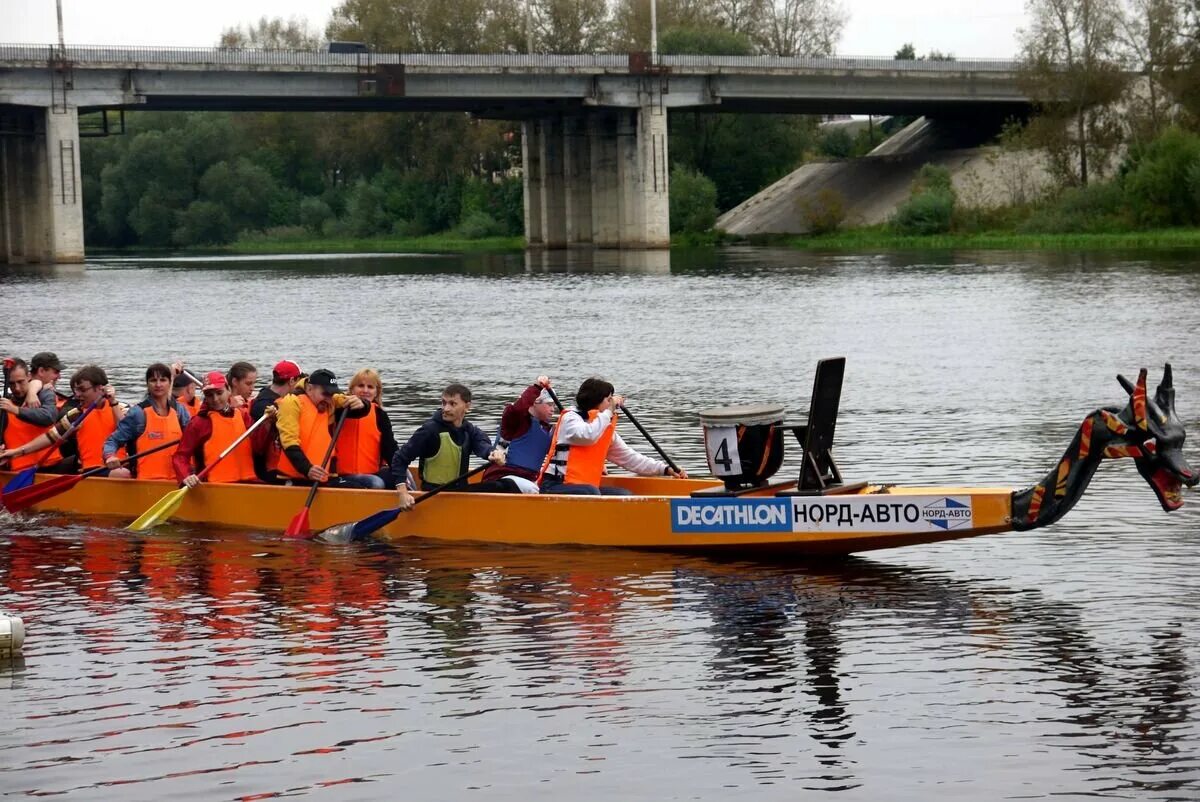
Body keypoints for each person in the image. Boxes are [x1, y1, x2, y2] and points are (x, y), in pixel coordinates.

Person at [537, 377, 688, 495]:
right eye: (608, 399)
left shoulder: (604, 427)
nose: (611, 403)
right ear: (596, 401)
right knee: (591, 492)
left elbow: (630, 459)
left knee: (624, 495)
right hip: (555, 486)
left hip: (583, 489)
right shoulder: (571, 418)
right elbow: (587, 436)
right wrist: (608, 413)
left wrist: (665, 469)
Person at [390, 383, 509, 508]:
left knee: (504, 485)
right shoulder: (429, 430)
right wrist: (403, 493)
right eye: (444, 403)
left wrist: (493, 453)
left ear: (467, 407)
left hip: (459, 494)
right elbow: (399, 459)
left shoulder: (470, 430)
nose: (446, 409)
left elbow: (482, 445)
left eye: (452, 404)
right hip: (432, 495)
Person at [0, 365, 125, 473]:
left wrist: (113, 402)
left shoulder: (121, 409)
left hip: (119, 468)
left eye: (82, 390)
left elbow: (125, 431)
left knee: (122, 473)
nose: (77, 395)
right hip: (92, 471)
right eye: (75, 390)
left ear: (100, 388)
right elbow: (50, 437)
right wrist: (16, 452)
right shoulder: (77, 414)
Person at [272, 368, 374, 487]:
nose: (329, 398)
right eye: (325, 394)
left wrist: (363, 404)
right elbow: (289, 442)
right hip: (297, 477)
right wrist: (308, 469)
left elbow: (351, 403)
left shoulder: (330, 400)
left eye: (332, 394)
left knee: (364, 487)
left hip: (325, 476)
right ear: (310, 388)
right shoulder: (291, 402)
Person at [173, 371, 276, 487]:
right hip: (215, 488)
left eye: (219, 393)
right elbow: (180, 456)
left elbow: (258, 446)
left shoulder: (242, 415)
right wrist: (187, 476)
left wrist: (267, 423)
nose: (215, 399)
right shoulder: (198, 423)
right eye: (209, 395)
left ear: (229, 391)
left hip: (247, 483)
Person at [104, 362, 191, 480]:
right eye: (153, 380)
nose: (158, 384)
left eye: (163, 380)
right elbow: (113, 441)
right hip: (145, 483)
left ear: (170, 383)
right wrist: (110, 456)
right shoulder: (138, 413)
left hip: (177, 482)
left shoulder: (180, 412)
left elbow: (194, 439)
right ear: (147, 384)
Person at [481, 376, 556, 489]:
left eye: (554, 405)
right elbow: (517, 409)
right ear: (535, 402)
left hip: (528, 479)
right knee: (532, 489)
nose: (553, 409)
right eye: (549, 404)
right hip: (502, 476)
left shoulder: (549, 431)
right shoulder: (515, 420)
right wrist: (537, 388)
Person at [334, 368, 398, 490]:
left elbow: (390, 449)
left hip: (371, 473)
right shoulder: (339, 410)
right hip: (340, 476)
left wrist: (401, 470)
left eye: (370, 387)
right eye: (360, 386)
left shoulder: (380, 415)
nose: (365, 390)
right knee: (376, 483)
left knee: (402, 475)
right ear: (352, 389)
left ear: (376, 392)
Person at [0, 357, 60, 470]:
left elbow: (48, 417)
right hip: (20, 469)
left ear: (29, 377)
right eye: (12, 384)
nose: (16, 388)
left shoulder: (45, 394)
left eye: (20, 382)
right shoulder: (5, 404)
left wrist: (16, 410)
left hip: (50, 465)